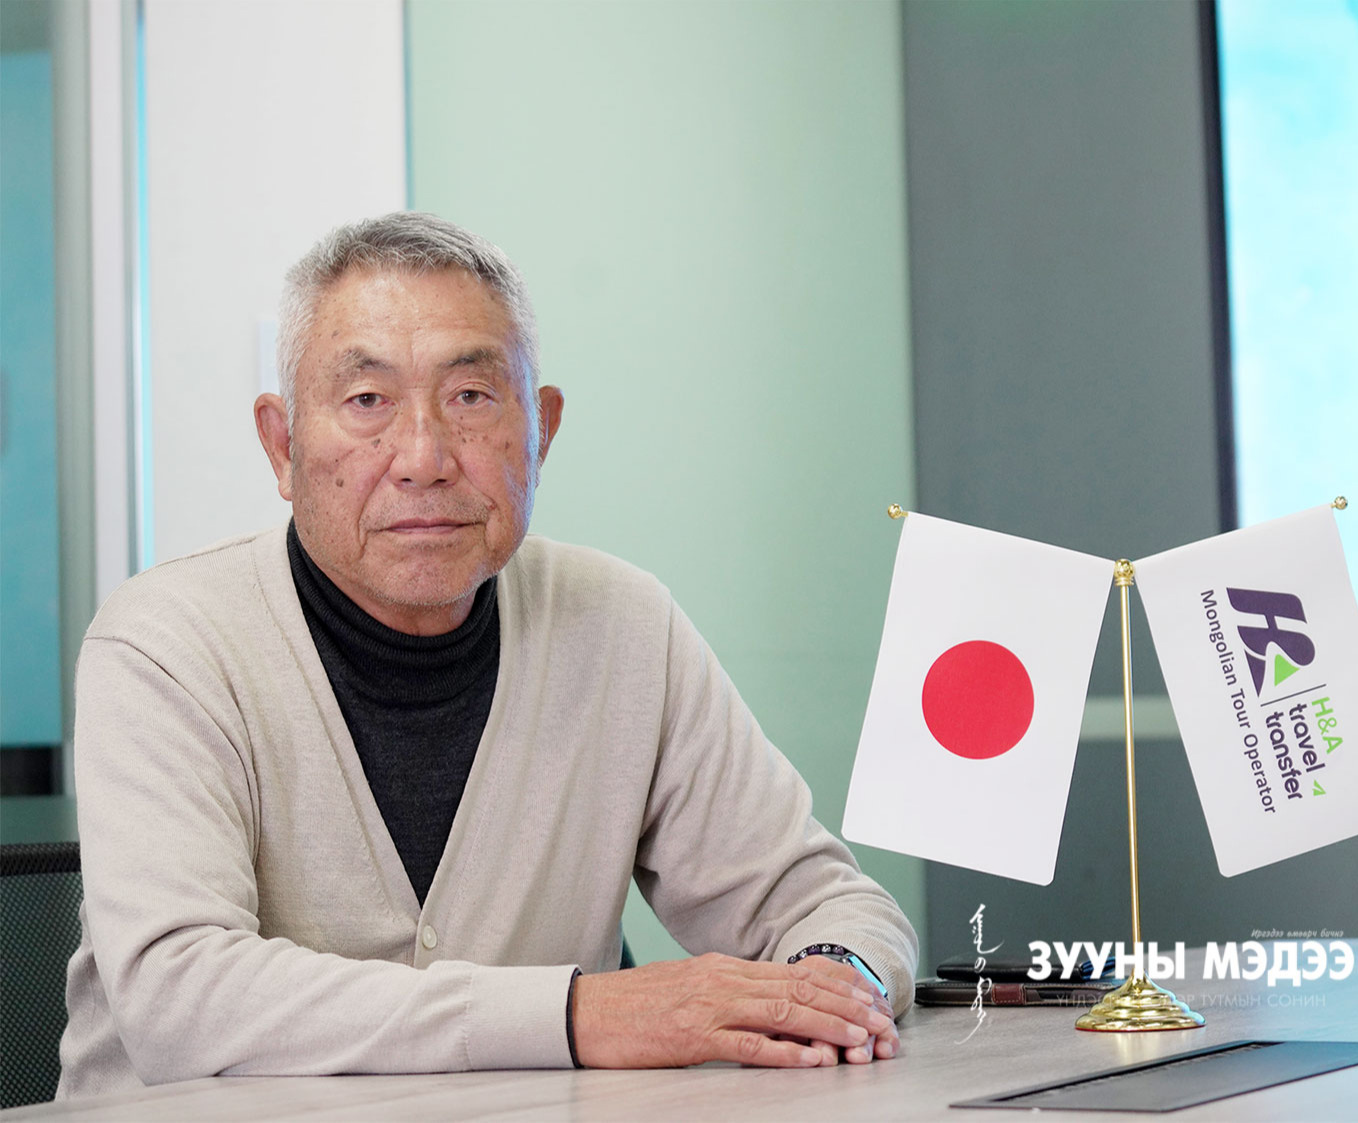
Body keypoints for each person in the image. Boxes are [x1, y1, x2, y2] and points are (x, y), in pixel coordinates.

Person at [58, 212, 918, 1097]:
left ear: (541, 429)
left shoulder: (623, 626)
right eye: (367, 401)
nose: (424, 458)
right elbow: (178, 998)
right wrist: (580, 1015)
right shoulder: (166, 644)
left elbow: (827, 903)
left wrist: (832, 984)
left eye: (471, 396)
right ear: (282, 445)